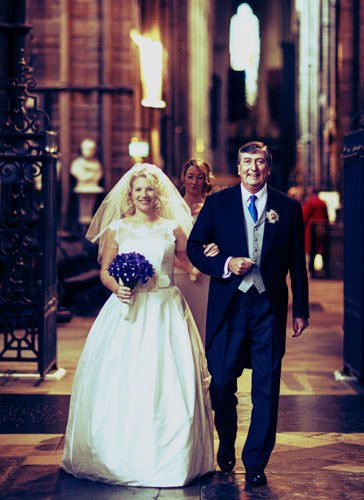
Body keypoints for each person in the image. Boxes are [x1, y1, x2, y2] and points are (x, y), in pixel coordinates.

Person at [61, 163, 215, 487]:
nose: (144, 194)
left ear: (157, 193)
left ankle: (173, 457)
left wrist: (203, 263)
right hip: (128, 310)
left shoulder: (172, 228)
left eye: (149, 189)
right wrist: (117, 286)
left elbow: (190, 258)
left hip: (165, 309)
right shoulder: (118, 228)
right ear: (130, 195)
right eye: (138, 190)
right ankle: (120, 453)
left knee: (169, 380)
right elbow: (105, 270)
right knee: (126, 380)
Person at [187, 141, 309, 487]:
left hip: (268, 308)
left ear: (268, 168)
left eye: (259, 162)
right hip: (228, 305)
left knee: (267, 387)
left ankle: (256, 460)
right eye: (246, 162)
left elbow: (297, 263)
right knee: (222, 382)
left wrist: (300, 309)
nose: (253, 168)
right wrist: (225, 263)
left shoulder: (288, 207)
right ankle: (226, 436)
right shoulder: (217, 204)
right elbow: (196, 248)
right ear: (238, 168)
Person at [174, 158, 215, 343]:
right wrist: (187, 268)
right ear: (183, 178)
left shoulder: (213, 207)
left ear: (206, 180)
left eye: (200, 177)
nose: (194, 182)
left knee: (203, 323)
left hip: (205, 274)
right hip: (178, 273)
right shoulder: (171, 208)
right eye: (190, 176)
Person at [302, 187, 329, 274]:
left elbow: (304, 217)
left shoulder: (310, 203)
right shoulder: (323, 203)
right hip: (323, 229)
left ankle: (311, 270)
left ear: (312, 194)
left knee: (312, 251)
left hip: (311, 229)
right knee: (323, 250)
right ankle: (325, 269)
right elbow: (326, 217)